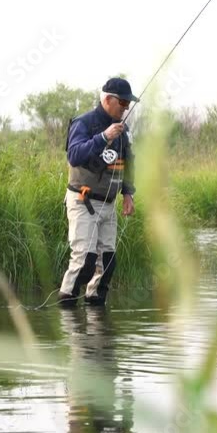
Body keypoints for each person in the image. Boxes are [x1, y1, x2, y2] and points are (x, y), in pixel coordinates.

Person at [58, 78, 138, 307]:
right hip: (83, 201)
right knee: (85, 261)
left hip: (109, 204)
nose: (126, 108)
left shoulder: (123, 130)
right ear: (107, 99)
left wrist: (128, 194)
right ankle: (67, 313)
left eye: (128, 103)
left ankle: (97, 318)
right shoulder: (83, 123)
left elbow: (128, 162)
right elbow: (74, 155)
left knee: (107, 263)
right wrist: (104, 137)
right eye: (122, 102)